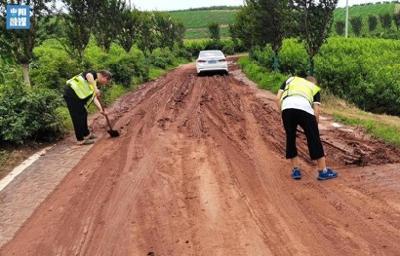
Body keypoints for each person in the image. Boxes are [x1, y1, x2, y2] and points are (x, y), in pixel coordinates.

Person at [276, 76, 338, 180]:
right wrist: (314, 127)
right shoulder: (314, 88)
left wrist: (282, 115)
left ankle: (296, 171)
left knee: (290, 138)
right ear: (313, 82)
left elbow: (277, 98)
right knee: (314, 139)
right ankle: (323, 171)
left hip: (287, 108)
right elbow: (316, 110)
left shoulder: (291, 80)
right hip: (304, 110)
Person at [63, 70, 112, 145]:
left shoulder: (94, 82)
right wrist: (95, 88)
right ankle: (80, 140)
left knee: (84, 113)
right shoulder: (93, 74)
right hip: (71, 94)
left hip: (77, 97)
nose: (106, 83)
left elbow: (94, 98)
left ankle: (86, 134)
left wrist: (101, 109)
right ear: (104, 77)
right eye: (107, 81)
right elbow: (88, 75)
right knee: (77, 117)